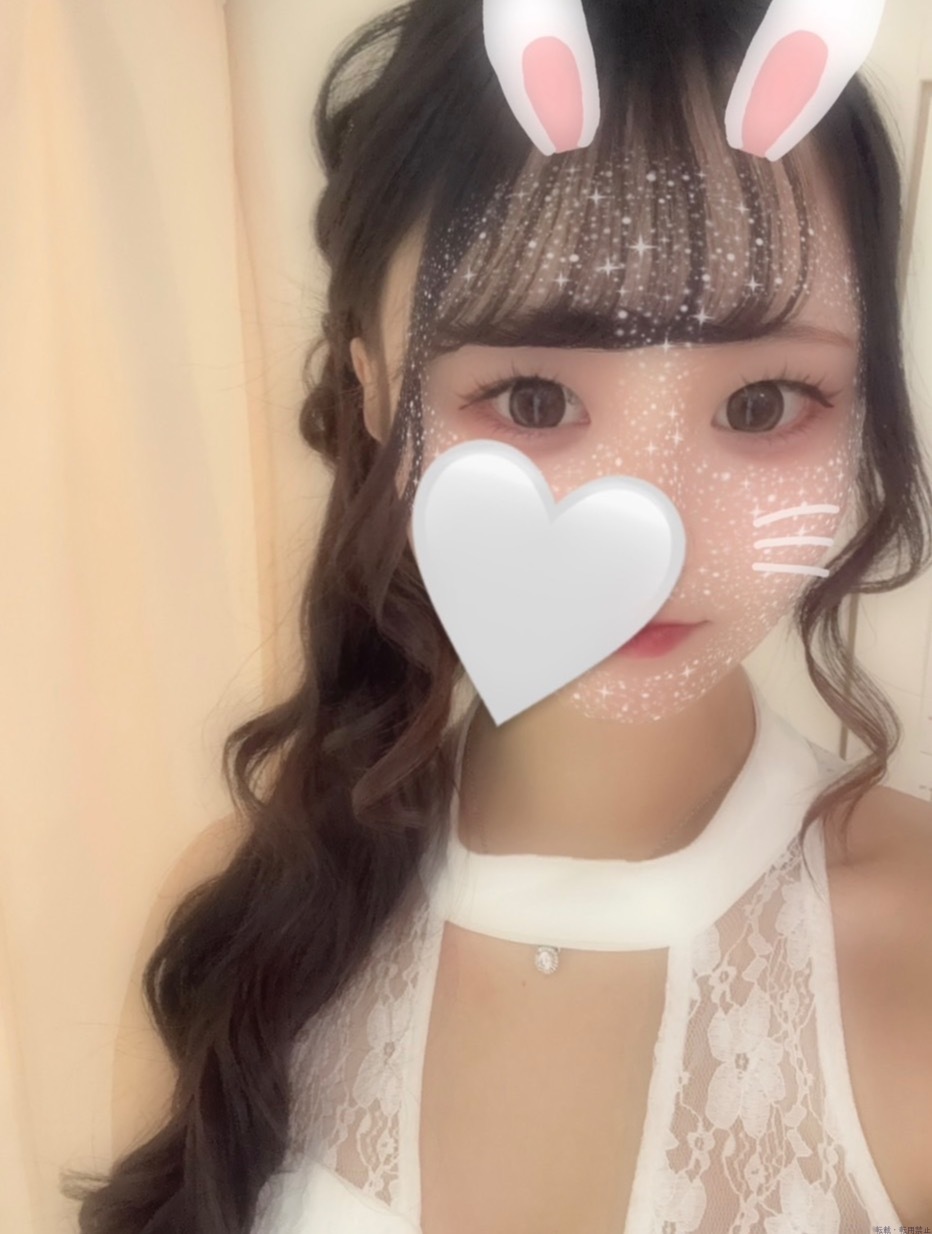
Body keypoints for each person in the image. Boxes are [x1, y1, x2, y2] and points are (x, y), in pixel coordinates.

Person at [63, 1, 932, 1231]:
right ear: (375, 391)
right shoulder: (246, 927)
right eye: (530, 399)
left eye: (758, 404)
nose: (649, 525)